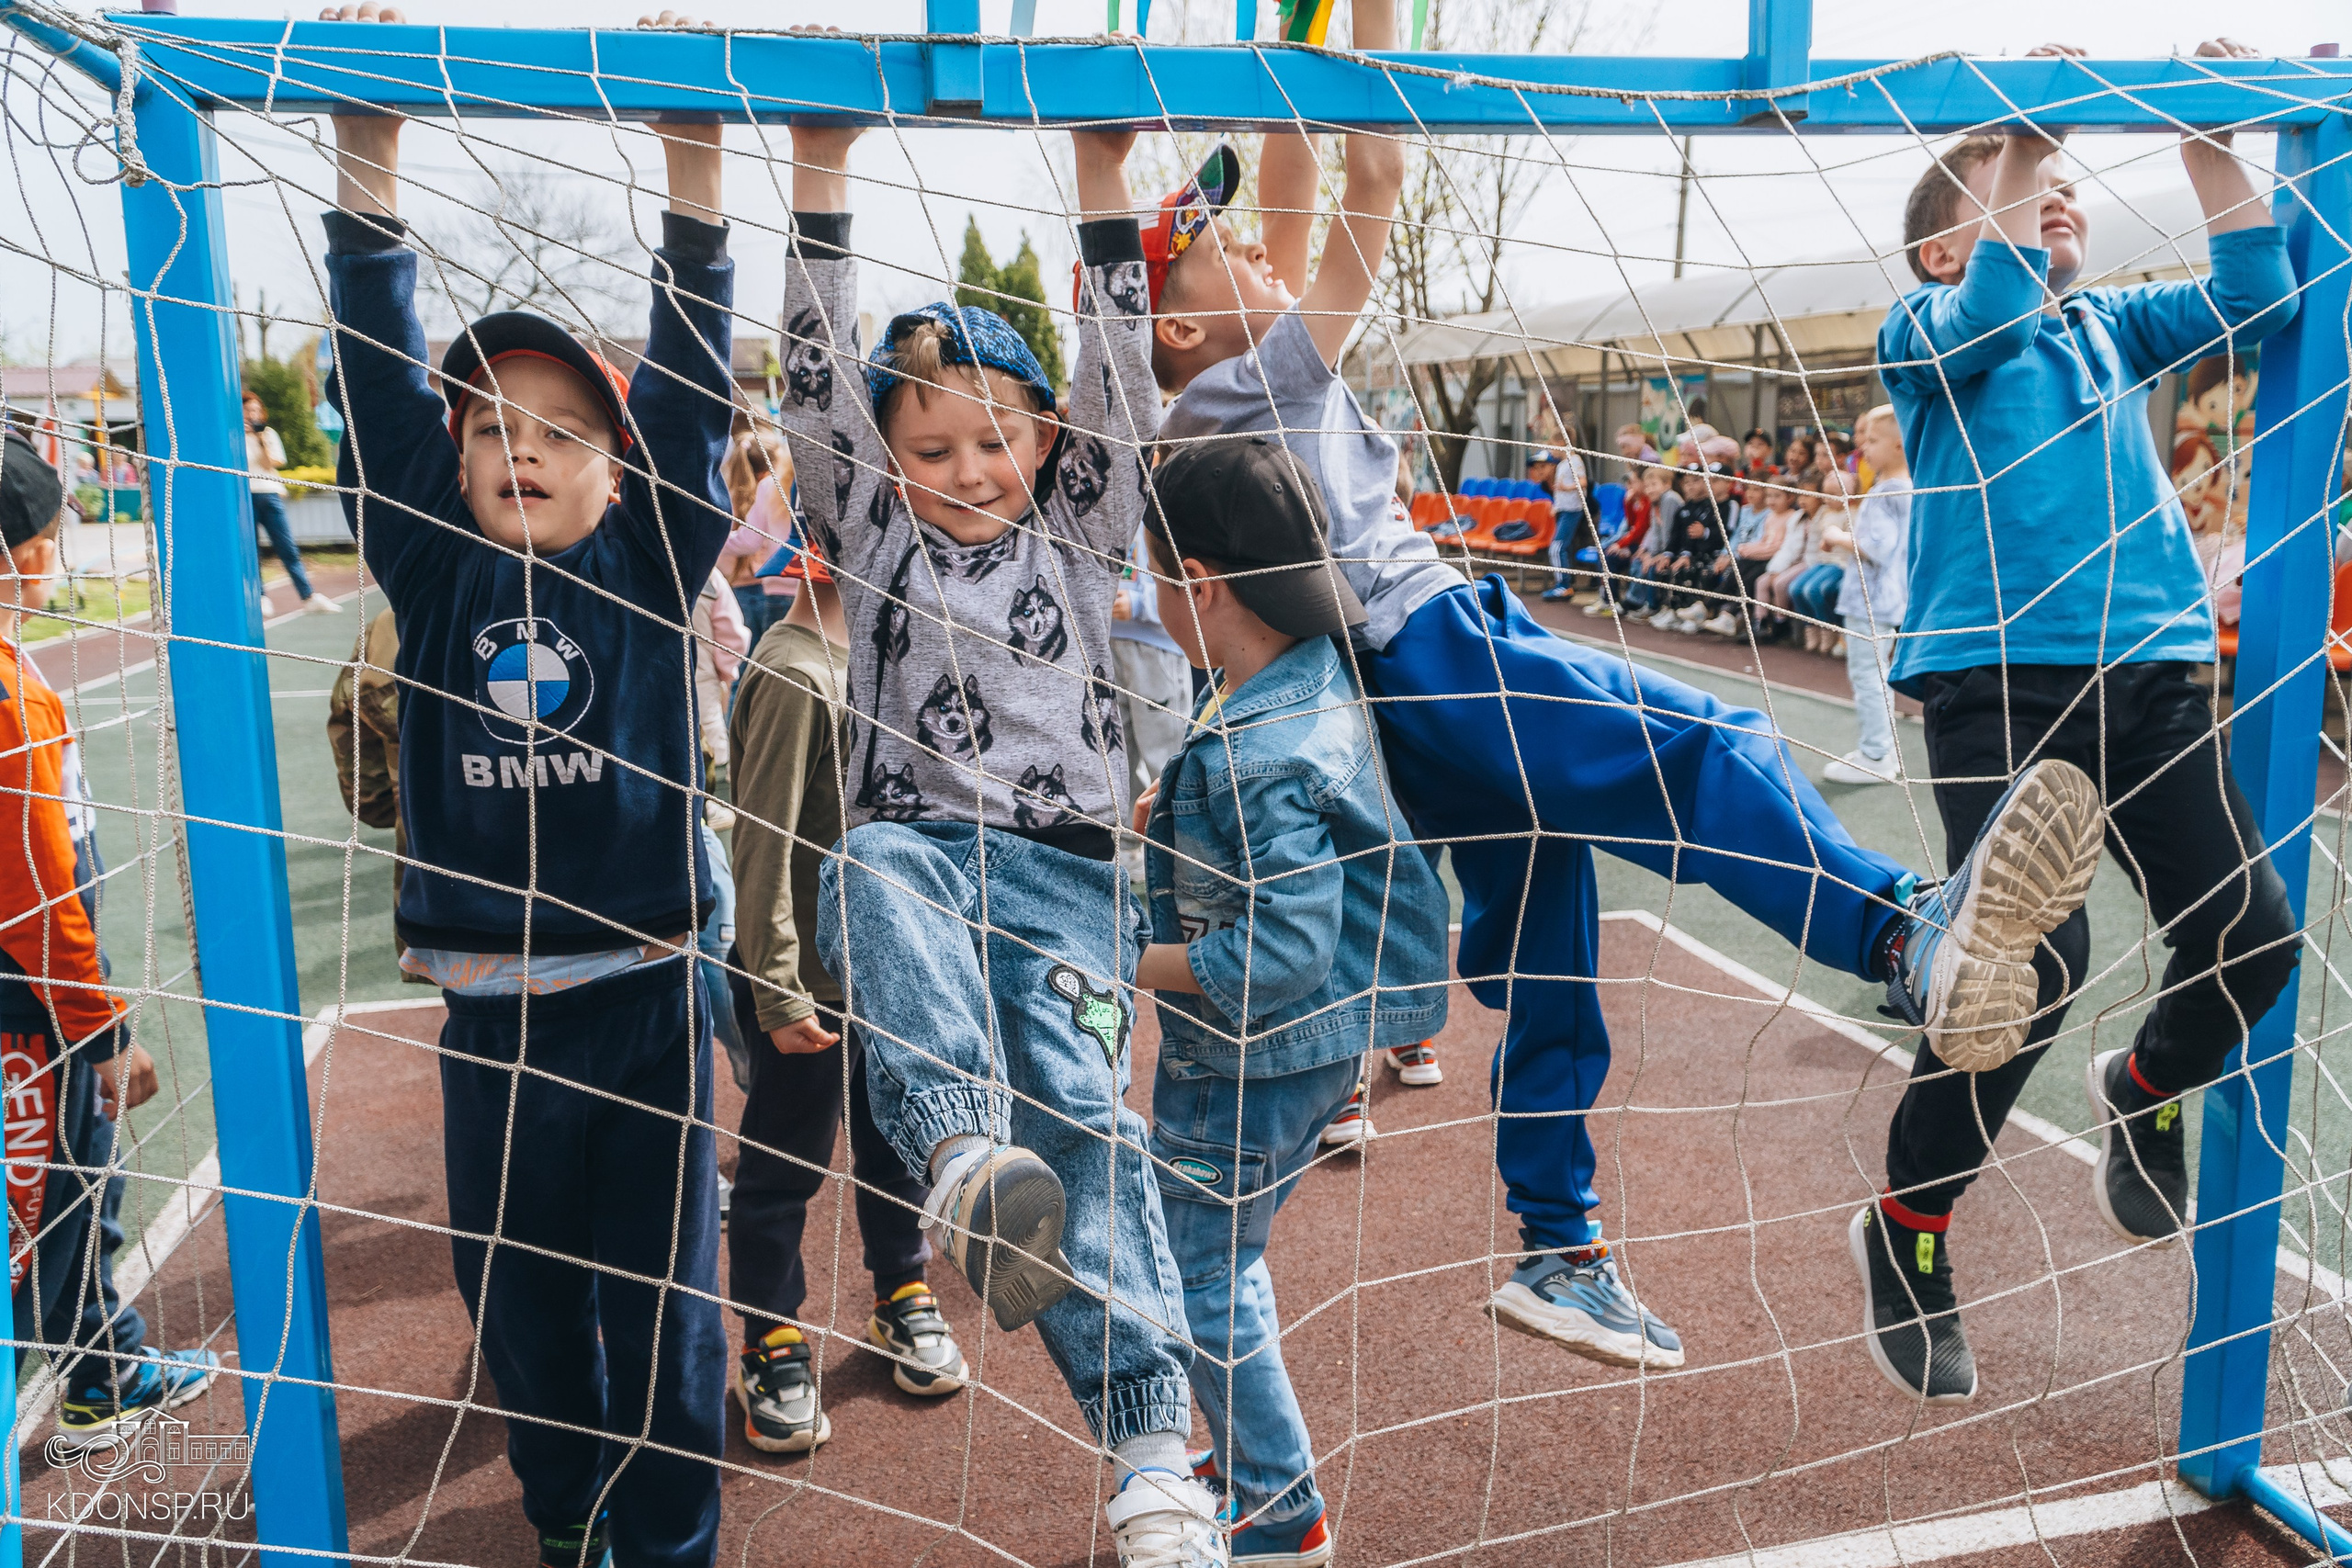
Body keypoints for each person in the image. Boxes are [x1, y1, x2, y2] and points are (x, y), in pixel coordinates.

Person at [1149, 86, 2105, 1373]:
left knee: (1551, 955)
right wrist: (1336, 57)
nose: (1264, 242)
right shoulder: (1237, 386)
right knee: (1709, 752)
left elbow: (1304, 181)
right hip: (1433, 654)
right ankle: (1899, 935)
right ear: (1182, 318)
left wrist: (1287, 83)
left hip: (1396, 703)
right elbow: (1358, 179)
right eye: (1228, 243)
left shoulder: (1220, 394)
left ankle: (1559, 1245)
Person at [780, 120, 1223, 1567]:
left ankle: (1157, 1453)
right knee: (872, 871)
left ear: (1042, 438)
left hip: (1064, 879)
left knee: (1093, 1132)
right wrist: (821, 168)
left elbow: (1114, 363)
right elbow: (810, 375)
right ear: (887, 457)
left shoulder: (1084, 528)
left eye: (995, 439)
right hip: (919, 849)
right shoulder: (866, 528)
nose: (968, 466)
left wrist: (1103, 172)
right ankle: (961, 1152)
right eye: (932, 447)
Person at [323, 14, 735, 1561]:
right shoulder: (432, 569)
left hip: (646, 999)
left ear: (619, 472)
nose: (522, 446)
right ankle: (566, 1514)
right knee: (516, 1296)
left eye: (561, 429)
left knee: (668, 1307)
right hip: (496, 1013)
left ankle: (673, 1533)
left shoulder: (645, 566)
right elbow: (375, 368)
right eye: (491, 422)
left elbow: (693, 384)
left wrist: (694, 164)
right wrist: (369, 162)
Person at [1858, 62, 2303, 1406]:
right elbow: (1992, 294)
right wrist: (2027, 129)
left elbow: (2258, 296)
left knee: (2253, 933)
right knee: (2035, 957)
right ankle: (1912, 1223)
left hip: (2154, 665)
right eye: (2025, 198)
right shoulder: (1925, 329)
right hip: (1998, 673)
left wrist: (2212, 142)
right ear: (1947, 237)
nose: (2058, 210)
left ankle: (2148, 1080)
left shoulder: (2107, 324)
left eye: (2068, 200)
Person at [1134, 440, 1448, 1568]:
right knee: (1221, 1253)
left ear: (1202, 585)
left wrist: (1127, 954)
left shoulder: (1255, 754)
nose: (1146, 599)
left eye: (1152, 578)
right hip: (1319, 1042)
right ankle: (1244, 1468)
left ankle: (1275, 1509)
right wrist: (1168, 810)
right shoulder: (1306, 668)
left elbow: (1280, 951)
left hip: (1250, 1050)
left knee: (1200, 1266)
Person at [723, 530, 967, 1456]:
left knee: (893, 1146)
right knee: (784, 1162)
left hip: (885, 966)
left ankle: (901, 1291)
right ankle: (770, 1339)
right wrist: (778, 989)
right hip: (810, 983)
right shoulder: (793, 673)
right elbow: (760, 841)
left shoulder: (879, 665)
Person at [0, 429, 220, 1444]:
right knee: (63, 1197)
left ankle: (101, 1363)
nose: (60, 550)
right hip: (29, 1015)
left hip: (30, 1001)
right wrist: (99, 1029)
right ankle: (100, 1378)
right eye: (52, 533)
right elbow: (38, 890)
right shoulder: (10, 697)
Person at [1822, 409, 1911, 785]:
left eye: (1872, 440)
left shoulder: (1885, 492)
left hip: (1870, 600)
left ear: (1898, 444)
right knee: (1878, 675)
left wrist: (1836, 535)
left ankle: (1876, 756)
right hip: (1889, 598)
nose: (1864, 447)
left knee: (1868, 675)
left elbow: (1877, 548)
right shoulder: (1909, 488)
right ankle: (1881, 749)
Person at [1110, 523, 1194, 886]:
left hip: (1156, 650)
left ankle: (1183, 850)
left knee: (1165, 753)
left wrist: (1141, 605)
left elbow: (1188, 585)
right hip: (1108, 645)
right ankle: (1128, 846)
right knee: (1116, 752)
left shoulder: (1161, 516)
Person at [244, 388, 339, 616]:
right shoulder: (232, 436)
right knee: (251, 550)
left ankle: (308, 596)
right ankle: (261, 596)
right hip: (245, 496)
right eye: (247, 411)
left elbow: (273, 463)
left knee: (287, 547)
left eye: (256, 410)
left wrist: (260, 439)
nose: (252, 415)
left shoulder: (268, 434)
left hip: (269, 494)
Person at [719, 431, 795, 646]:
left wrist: (712, 538)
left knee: (768, 661)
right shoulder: (804, 485)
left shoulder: (767, 487)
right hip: (809, 588)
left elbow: (748, 541)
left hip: (776, 586)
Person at [1540, 430, 1591, 603]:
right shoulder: (1562, 463)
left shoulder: (1574, 460)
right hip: (1564, 509)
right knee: (1563, 547)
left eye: (1552, 447)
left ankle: (1563, 585)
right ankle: (1564, 584)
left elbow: (1583, 482)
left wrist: (1565, 487)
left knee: (1557, 547)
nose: (1551, 452)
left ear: (1561, 442)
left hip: (1572, 510)